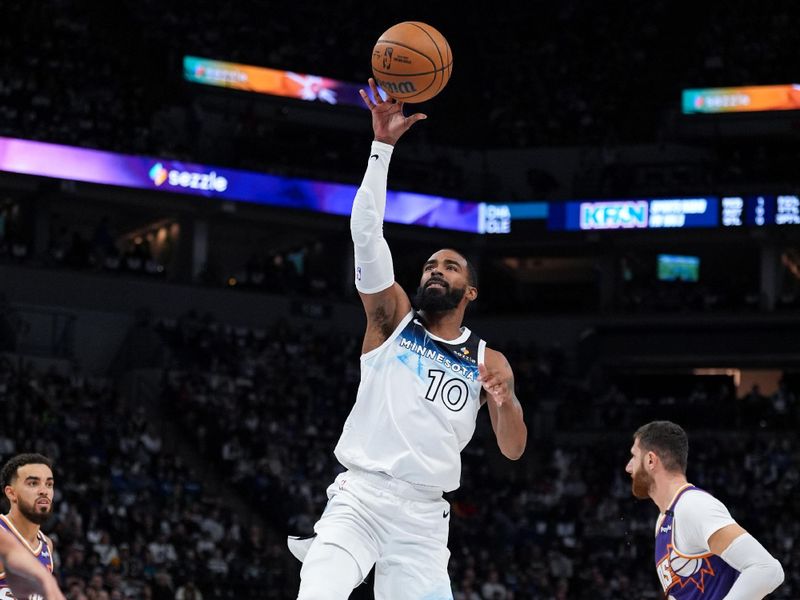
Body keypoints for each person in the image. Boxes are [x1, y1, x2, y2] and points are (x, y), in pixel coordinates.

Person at [289, 78, 527, 600]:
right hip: (361, 498)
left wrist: (504, 401)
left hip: (423, 517)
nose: (437, 270)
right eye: (430, 265)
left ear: (471, 290)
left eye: (450, 266)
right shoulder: (391, 320)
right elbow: (365, 233)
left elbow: (512, 450)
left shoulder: (490, 360)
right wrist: (382, 148)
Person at [625, 421, 784, 599]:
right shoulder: (664, 520)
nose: (628, 467)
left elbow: (767, 569)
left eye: (634, 457)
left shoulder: (693, 506)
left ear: (650, 460)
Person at [0, 453, 59, 599]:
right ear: (11, 493)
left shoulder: (47, 545)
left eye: (49, 484)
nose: (44, 491)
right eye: (33, 483)